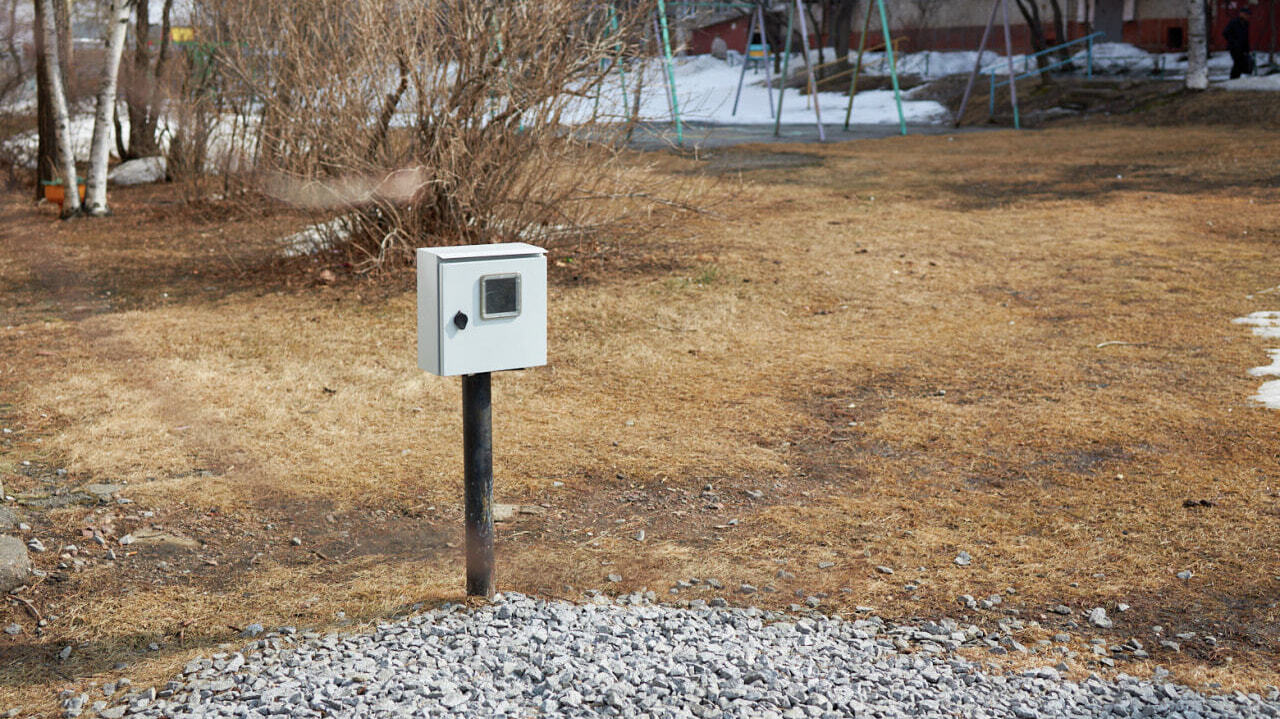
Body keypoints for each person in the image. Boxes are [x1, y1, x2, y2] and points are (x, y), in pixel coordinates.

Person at [1224, 6, 1253, 79]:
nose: (1248, 16)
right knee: (1238, 63)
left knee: (1240, 63)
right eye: (1246, 14)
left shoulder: (1246, 24)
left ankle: (1236, 77)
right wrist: (1233, 42)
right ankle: (1233, 78)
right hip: (1234, 47)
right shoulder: (1234, 22)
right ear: (1241, 14)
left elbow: (1246, 37)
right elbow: (1225, 33)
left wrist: (1247, 48)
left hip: (1242, 47)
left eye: (1248, 15)